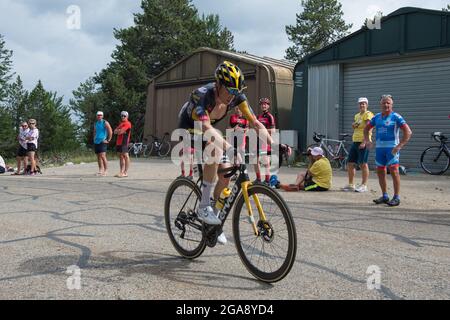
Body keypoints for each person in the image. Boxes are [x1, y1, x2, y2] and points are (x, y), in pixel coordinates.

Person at [177, 61, 273, 245]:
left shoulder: (236, 97)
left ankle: (214, 223)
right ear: (218, 84)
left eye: (236, 91)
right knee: (215, 149)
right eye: (229, 90)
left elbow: (255, 123)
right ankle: (204, 207)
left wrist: (276, 145)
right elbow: (204, 127)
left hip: (206, 129)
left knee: (227, 173)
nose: (232, 96)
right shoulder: (203, 96)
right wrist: (230, 148)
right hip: (189, 127)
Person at [363, 95, 412, 207]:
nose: (386, 105)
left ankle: (396, 197)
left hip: (392, 149)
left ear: (392, 104)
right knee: (380, 172)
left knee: (394, 172)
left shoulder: (396, 117)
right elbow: (366, 129)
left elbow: (408, 132)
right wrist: (367, 141)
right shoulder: (377, 117)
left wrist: (400, 145)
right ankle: (385, 196)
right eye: (384, 103)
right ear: (380, 104)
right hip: (380, 149)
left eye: (388, 103)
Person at [342, 97, 374, 193]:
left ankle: (364, 185)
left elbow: (369, 128)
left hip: (363, 141)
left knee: (363, 163)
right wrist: (354, 125)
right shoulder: (357, 116)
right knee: (350, 163)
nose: (362, 105)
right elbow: (357, 126)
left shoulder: (368, 114)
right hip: (355, 141)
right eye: (360, 104)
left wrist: (365, 141)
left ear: (367, 105)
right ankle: (351, 184)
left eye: (364, 103)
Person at [254, 98, 276, 185]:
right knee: (255, 161)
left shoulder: (270, 116)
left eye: (265, 104)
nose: (264, 105)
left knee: (265, 162)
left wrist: (262, 131)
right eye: (262, 104)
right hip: (258, 140)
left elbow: (273, 131)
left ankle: (267, 181)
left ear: (268, 106)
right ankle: (258, 179)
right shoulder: (258, 117)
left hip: (265, 142)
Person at [93, 111, 113, 176]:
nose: (99, 116)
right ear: (96, 116)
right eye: (98, 115)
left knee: (103, 156)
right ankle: (100, 170)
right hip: (96, 141)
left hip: (103, 141)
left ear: (102, 116)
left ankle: (106, 170)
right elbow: (95, 131)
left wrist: (108, 140)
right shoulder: (96, 123)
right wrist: (94, 138)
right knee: (98, 156)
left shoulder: (105, 122)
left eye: (100, 115)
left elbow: (110, 131)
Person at [114, 111, 132, 178]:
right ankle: (121, 172)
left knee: (126, 156)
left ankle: (125, 172)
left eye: (124, 116)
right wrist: (119, 131)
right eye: (122, 115)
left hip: (124, 142)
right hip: (118, 142)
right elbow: (115, 131)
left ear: (127, 116)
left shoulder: (128, 123)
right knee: (121, 157)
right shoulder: (121, 123)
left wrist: (119, 131)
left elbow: (120, 132)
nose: (123, 117)